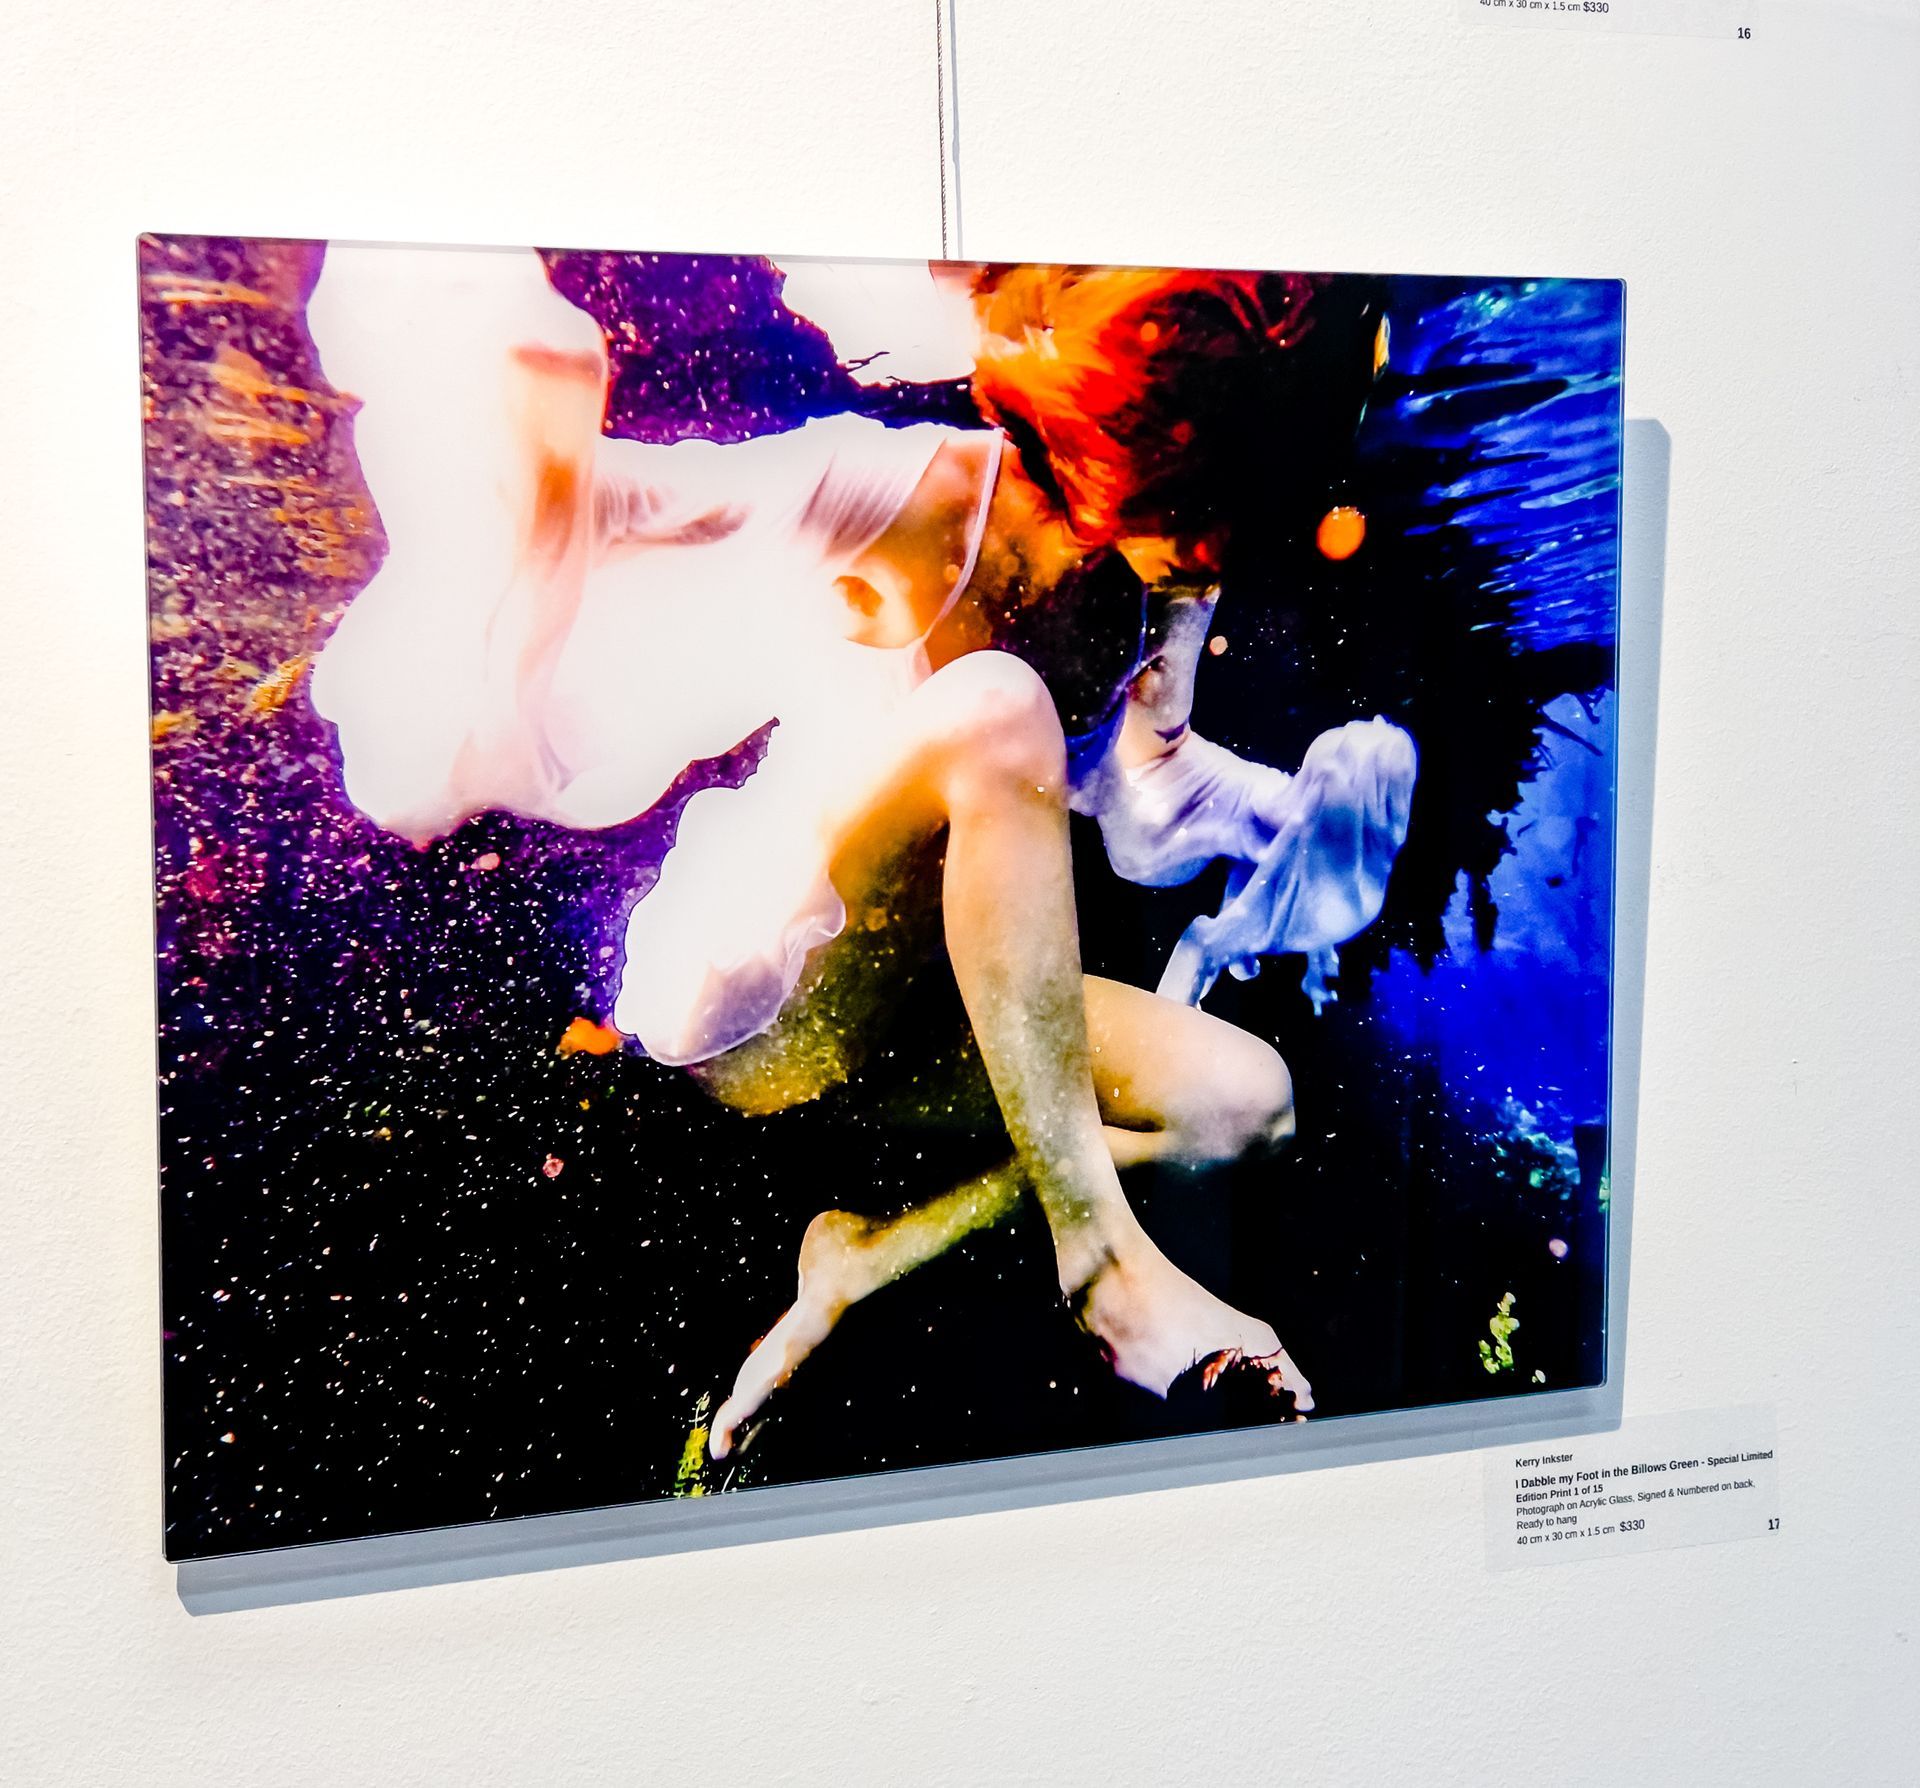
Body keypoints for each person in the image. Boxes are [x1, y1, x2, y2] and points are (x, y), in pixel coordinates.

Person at [305, 245, 1415, 1462]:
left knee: (1246, 1106)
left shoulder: (1173, 593)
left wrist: (1294, 826)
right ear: (1141, 448)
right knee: (996, 709)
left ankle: (861, 1265)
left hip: (931, 1008)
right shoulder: (913, 494)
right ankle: (1100, 1264)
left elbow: (1148, 801)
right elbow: (640, 508)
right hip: (762, 986)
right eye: (1208, 512)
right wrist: (541, 440)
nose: (1218, 560)